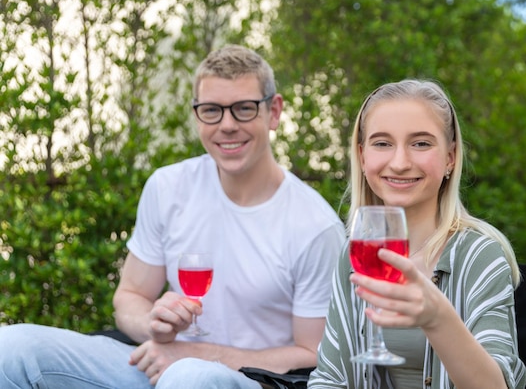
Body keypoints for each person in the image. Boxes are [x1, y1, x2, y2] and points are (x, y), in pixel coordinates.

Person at [0, 44, 345, 388]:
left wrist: (198, 354)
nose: (226, 125)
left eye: (243, 108)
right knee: (12, 348)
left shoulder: (314, 225)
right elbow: (129, 296)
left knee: (190, 377)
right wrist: (152, 322)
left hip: (249, 378)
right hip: (161, 364)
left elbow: (313, 354)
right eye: (211, 110)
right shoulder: (168, 187)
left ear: (274, 112)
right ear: (197, 115)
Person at [307, 79, 526, 389]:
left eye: (421, 143)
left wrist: (436, 317)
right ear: (362, 155)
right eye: (382, 143)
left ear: (450, 157)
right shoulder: (356, 254)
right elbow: (330, 379)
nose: (399, 163)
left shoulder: (480, 255)